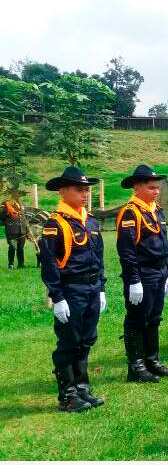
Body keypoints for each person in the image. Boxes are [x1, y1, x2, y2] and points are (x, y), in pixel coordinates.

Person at [40, 166, 106, 413]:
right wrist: (57, 297)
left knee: (86, 340)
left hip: (91, 287)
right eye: (80, 190)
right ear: (63, 191)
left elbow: (98, 257)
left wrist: (101, 288)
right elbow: (49, 263)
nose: (85, 194)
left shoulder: (89, 220)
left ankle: (82, 389)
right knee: (69, 341)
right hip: (71, 289)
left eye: (87, 190)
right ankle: (67, 395)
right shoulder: (55, 224)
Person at [115, 164, 168, 383]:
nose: (156, 191)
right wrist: (133, 280)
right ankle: (136, 367)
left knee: (154, 317)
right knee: (137, 319)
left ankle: (153, 361)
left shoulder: (155, 211)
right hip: (143, 272)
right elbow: (127, 250)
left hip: (159, 271)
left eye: (157, 188)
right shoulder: (130, 213)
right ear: (137, 188)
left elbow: (164, 242)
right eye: (151, 188)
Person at [1, 191, 26, 269]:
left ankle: (21, 264)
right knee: (12, 247)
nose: (17, 197)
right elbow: (1, 216)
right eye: (15, 196)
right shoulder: (6, 205)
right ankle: (11, 264)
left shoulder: (22, 205)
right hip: (12, 230)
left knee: (20, 247)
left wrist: (26, 229)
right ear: (11, 196)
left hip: (22, 229)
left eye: (18, 196)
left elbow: (24, 217)